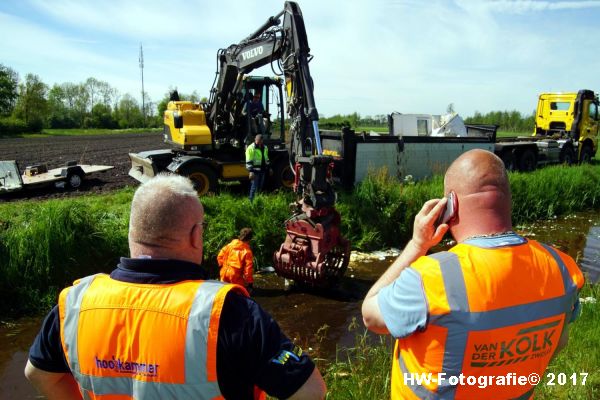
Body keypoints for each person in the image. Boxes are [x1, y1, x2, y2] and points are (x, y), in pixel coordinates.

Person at [24, 174, 326, 400]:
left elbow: (37, 373)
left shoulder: (75, 303)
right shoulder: (230, 313)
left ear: (132, 232)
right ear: (196, 236)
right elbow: (311, 391)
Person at [362, 149, 584, 400]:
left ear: (451, 205)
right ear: (507, 199)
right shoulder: (561, 267)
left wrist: (417, 245)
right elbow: (559, 342)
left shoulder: (430, 278)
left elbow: (370, 315)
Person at [218, 227, 255, 293]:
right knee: (237, 293)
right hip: (235, 276)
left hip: (223, 273)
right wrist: (250, 283)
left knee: (224, 293)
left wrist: (222, 265)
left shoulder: (229, 245)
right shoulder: (247, 251)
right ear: (250, 239)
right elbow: (248, 269)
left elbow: (219, 256)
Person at [246, 133, 270, 202]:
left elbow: (266, 158)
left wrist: (269, 167)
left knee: (260, 186)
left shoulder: (265, 147)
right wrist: (251, 171)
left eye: (260, 140)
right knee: (254, 187)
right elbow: (248, 160)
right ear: (255, 139)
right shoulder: (251, 148)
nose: (258, 142)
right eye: (257, 140)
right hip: (255, 171)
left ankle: (258, 200)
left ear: (262, 141)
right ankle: (251, 201)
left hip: (262, 170)